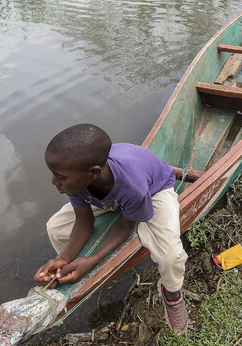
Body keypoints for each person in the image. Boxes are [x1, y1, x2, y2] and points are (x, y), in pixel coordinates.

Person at [33, 123, 188, 335]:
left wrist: (95, 259)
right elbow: (83, 221)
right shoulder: (77, 176)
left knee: (171, 256)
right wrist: (64, 257)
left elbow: (126, 226)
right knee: (56, 227)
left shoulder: (132, 186)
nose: (53, 182)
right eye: (54, 174)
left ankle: (172, 294)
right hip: (114, 194)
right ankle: (71, 267)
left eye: (60, 177)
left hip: (154, 190)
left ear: (93, 173)